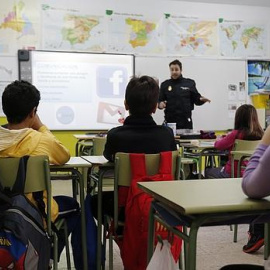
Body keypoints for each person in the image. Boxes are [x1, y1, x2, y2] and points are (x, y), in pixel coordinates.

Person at [0, 80, 81, 268]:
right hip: (35, 213)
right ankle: (47, 254)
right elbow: (64, 155)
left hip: (2, 209)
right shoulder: (40, 141)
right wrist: (41, 126)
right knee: (75, 207)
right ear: (33, 112)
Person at [92, 75, 177, 219]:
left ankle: (102, 240)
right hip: (162, 208)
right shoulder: (167, 134)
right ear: (155, 107)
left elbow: (108, 156)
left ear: (125, 105)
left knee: (91, 201)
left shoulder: (115, 135)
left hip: (124, 209)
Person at [205, 104, 264, 179]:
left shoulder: (236, 134)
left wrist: (221, 138)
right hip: (252, 173)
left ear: (238, 118)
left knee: (207, 171)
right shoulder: (261, 135)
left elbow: (218, 145)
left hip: (233, 172)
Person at [158, 59, 211, 129]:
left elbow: (197, 99)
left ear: (181, 70)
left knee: (186, 140)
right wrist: (160, 104)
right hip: (170, 122)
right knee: (170, 139)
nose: (174, 72)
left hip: (186, 122)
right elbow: (159, 100)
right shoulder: (165, 84)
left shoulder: (189, 83)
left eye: (176, 69)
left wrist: (202, 100)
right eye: (172, 70)